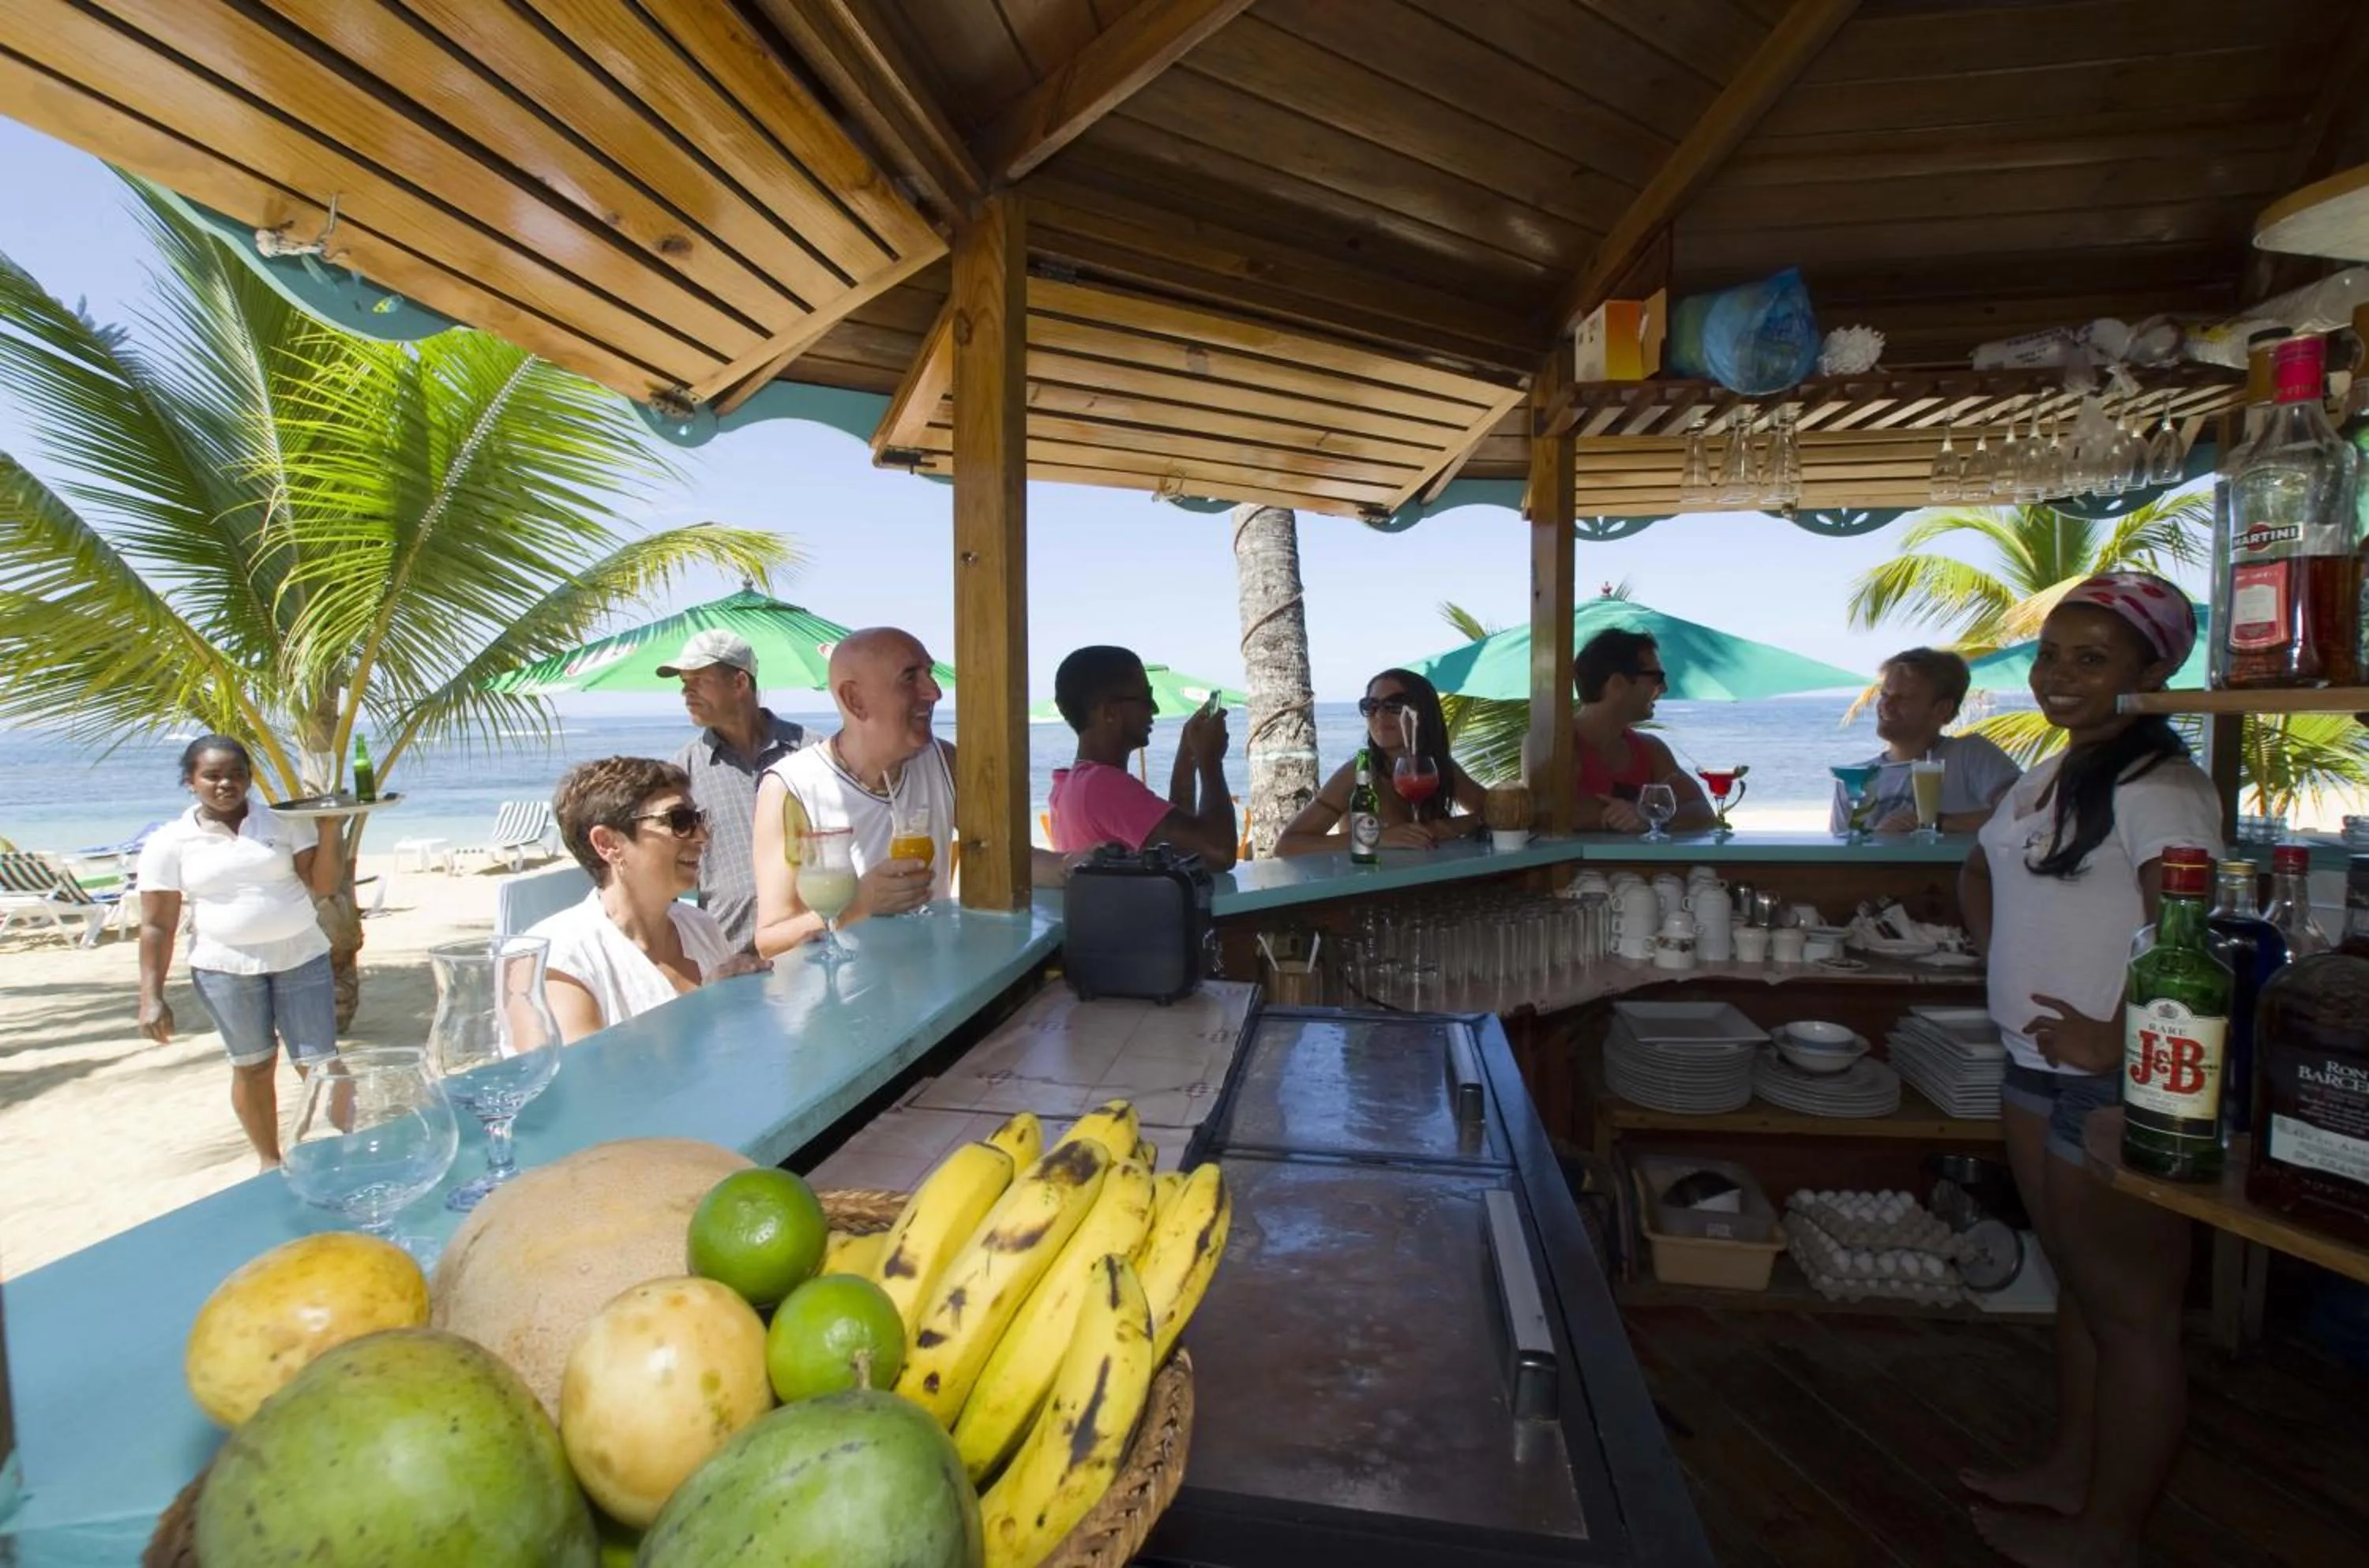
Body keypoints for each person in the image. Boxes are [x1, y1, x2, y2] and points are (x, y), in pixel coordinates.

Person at [1957, 572, 2222, 1568]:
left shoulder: (2164, 790)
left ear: (2155, 672)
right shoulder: (2055, 775)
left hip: (2115, 1082)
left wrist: (2114, 1036)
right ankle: (2073, 1473)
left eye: (2091, 659)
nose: (2057, 677)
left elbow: (2192, 932)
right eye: (2050, 655)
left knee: (2135, 1312)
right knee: (2078, 1285)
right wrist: (2002, 961)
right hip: (2037, 1065)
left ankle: (2113, 1532)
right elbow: (1981, 868)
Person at [135, 736, 343, 1167]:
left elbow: (323, 886)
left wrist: (328, 826)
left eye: (236, 774)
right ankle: (269, 1160)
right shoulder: (169, 842)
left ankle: (348, 1145)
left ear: (249, 778)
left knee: (320, 1063)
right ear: (191, 782)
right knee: (252, 1065)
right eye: (212, 775)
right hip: (224, 968)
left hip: (301, 957)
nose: (225, 783)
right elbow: (157, 925)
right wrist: (150, 998)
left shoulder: (283, 822)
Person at [530, 756, 767, 1043]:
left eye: (699, 818)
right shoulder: (561, 957)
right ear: (608, 843)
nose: (702, 836)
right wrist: (707, 1008)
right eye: (679, 821)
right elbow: (585, 1081)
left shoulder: (700, 927)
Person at [751, 628, 956, 958]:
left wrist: (1068, 865)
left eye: (929, 673)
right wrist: (861, 903)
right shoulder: (791, 787)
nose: (934, 692)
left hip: (939, 992)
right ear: (854, 700)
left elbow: (1007, 857)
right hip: (843, 1001)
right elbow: (771, 942)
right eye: (909, 677)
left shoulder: (945, 763)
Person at [661, 630, 805, 951]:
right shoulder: (680, 773)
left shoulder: (814, 754)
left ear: (740, 683)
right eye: (684, 683)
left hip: (817, 943)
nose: (687, 692)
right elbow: (664, 874)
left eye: (697, 680)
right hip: (729, 958)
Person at [1046, 645, 1239, 870]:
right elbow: (1219, 852)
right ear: (1109, 712)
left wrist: (1187, 754)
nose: (1154, 709)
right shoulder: (1103, 786)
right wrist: (1210, 760)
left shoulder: (1070, 785)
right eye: (1146, 698)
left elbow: (1180, 849)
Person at [1275, 668, 1485, 855]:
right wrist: (1375, 838)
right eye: (1371, 705)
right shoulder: (1358, 774)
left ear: (1423, 713)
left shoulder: (1437, 768)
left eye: (1395, 705)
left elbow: (1496, 811)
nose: (1380, 714)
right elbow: (1288, 845)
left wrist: (1446, 828)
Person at [1528, 628, 1714, 833]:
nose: (1664, 688)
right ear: (1617, 683)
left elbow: (1703, 812)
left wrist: (1648, 817)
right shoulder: (1553, 744)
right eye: (1657, 677)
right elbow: (1548, 812)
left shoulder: (1651, 749)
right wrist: (1638, 814)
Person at [1828, 647, 2021, 835]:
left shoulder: (1969, 755)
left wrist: (1937, 822)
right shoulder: (1852, 780)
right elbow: (1839, 859)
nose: (1887, 705)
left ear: (1943, 709)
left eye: (1903, 698)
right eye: (1885, 695)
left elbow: (2029, 813)